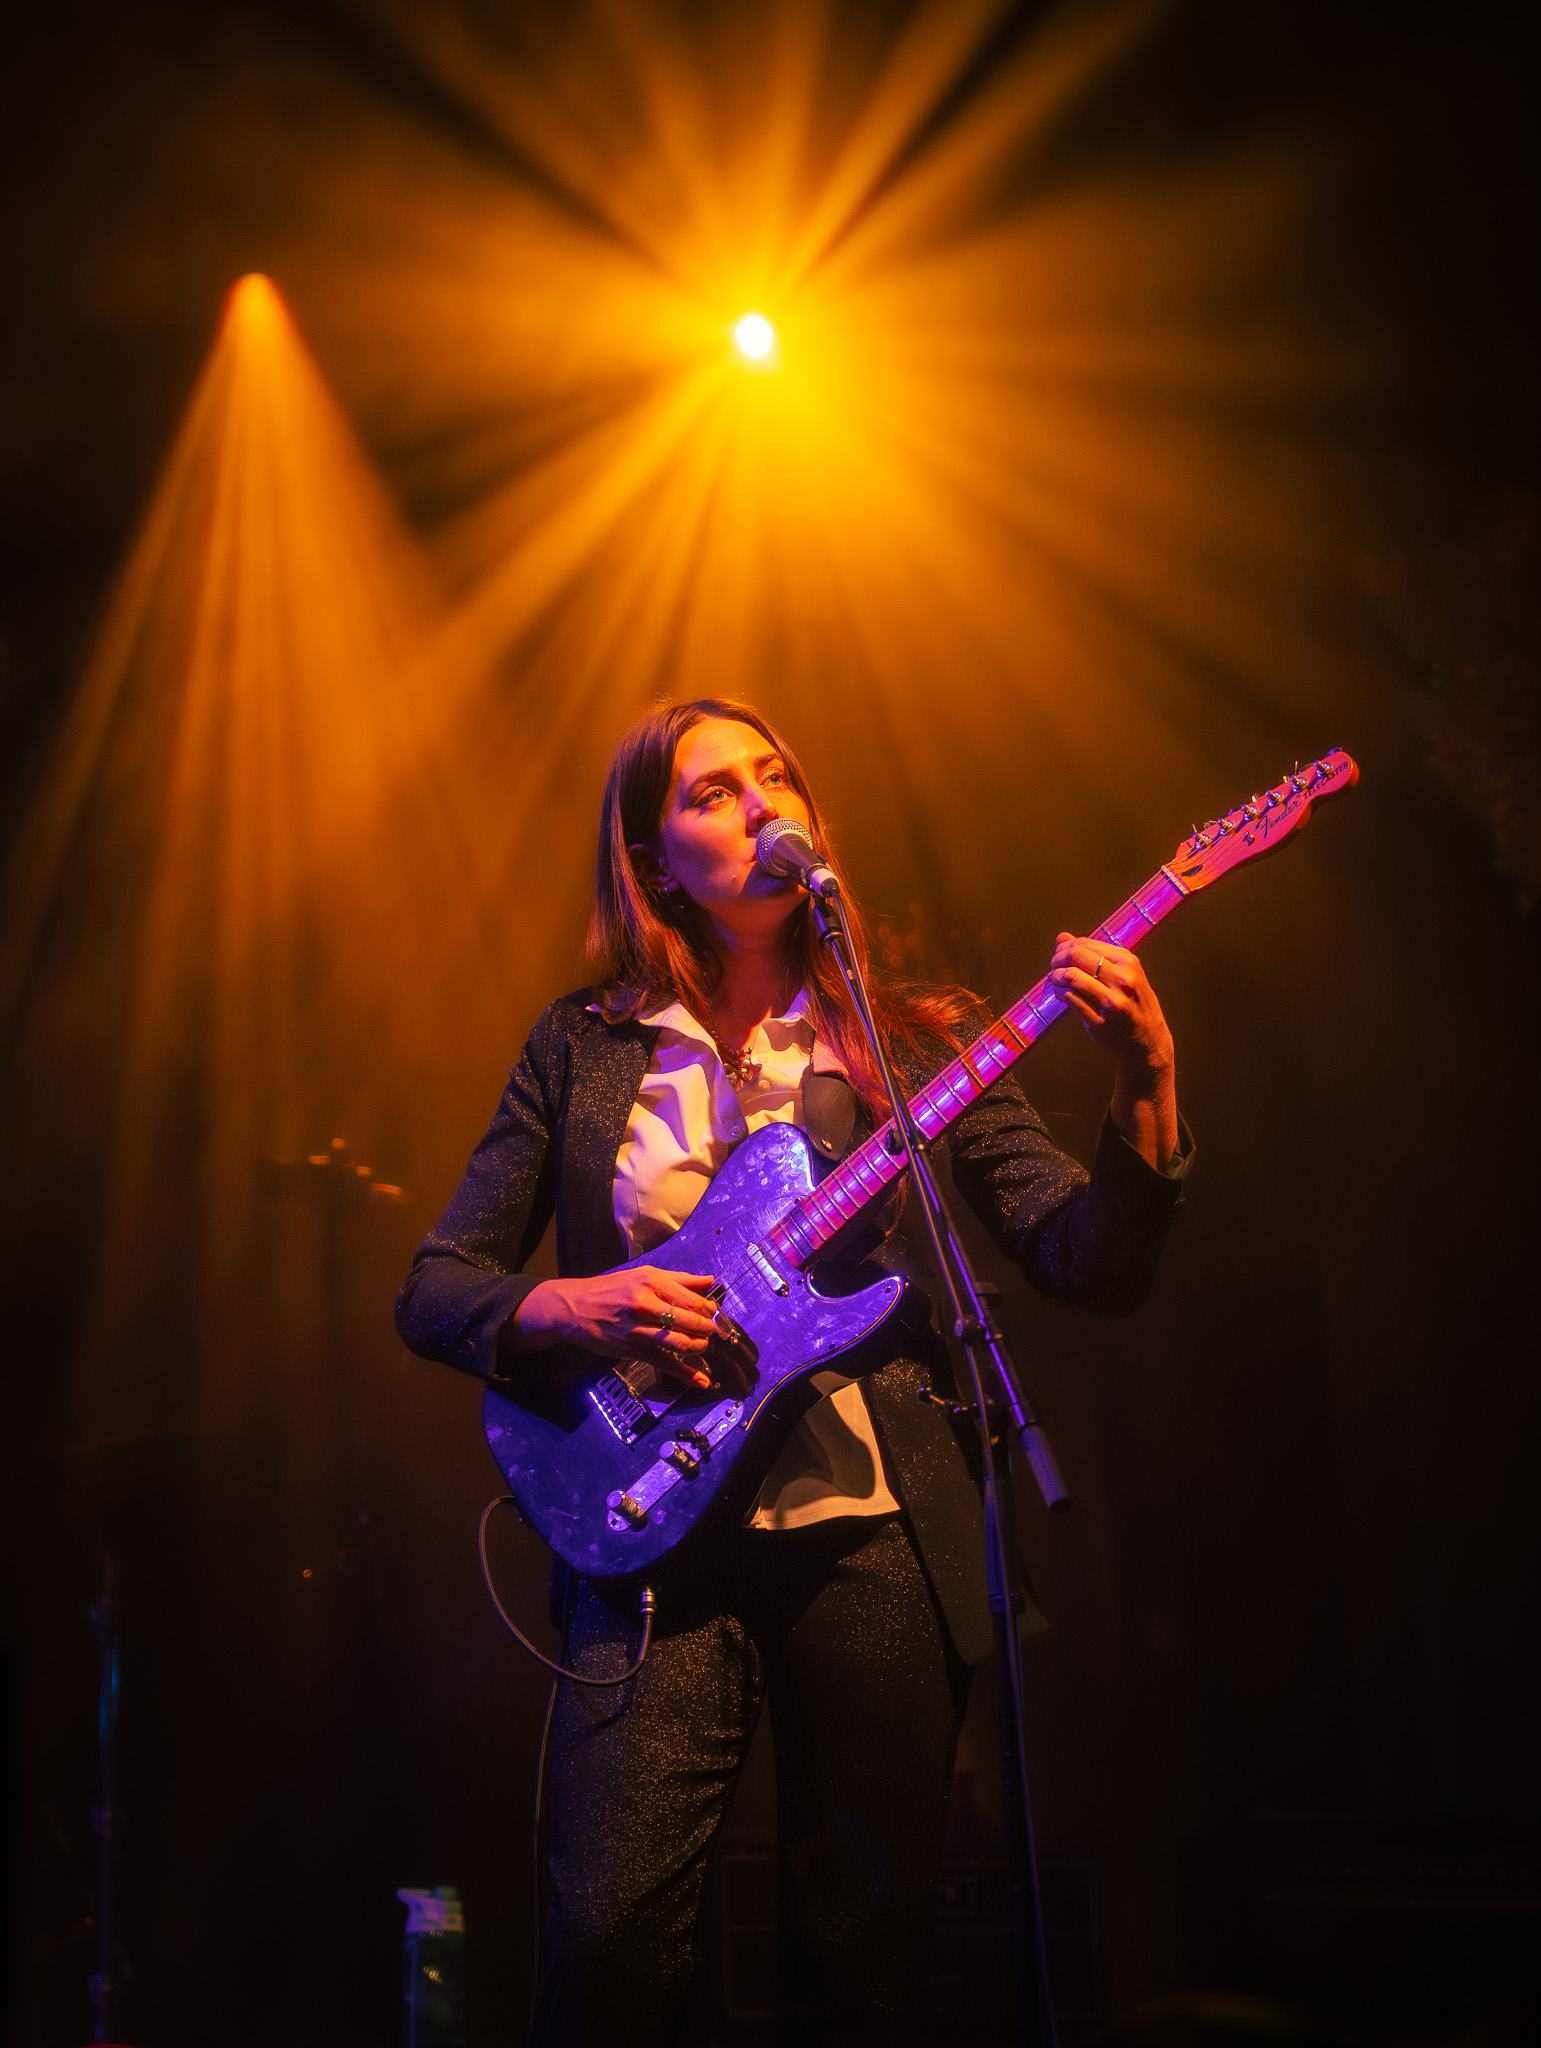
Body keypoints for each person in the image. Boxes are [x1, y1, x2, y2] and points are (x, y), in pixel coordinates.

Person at [395, 698, 1191, 2045]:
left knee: (860, 1964)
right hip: (647, 1529)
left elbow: (1088, 1257)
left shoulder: (910, 1037)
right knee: (605, 1947)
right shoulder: (583, 1046)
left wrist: (1146, 1075)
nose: (761, 803)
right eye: (714, 791)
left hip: (869, 1530)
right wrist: (581, 1303)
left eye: (776, 777)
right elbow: (436, 1288)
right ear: (653, 861)